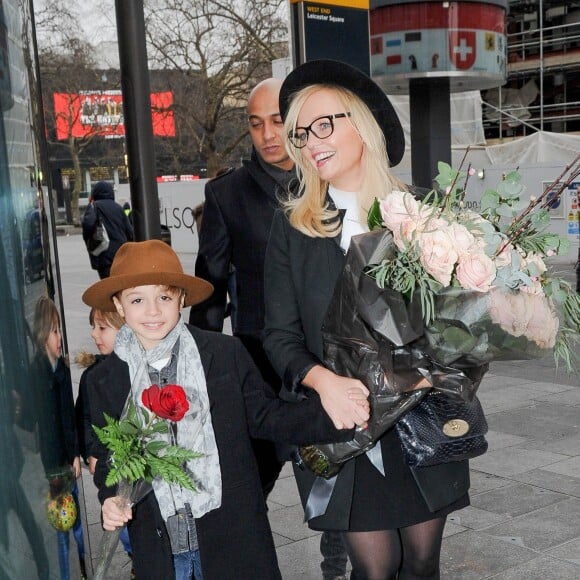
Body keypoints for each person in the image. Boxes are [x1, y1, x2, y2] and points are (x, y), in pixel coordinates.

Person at [263, 59, 471, 580]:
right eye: (302, 134)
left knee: (422, 563)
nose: (311, 143)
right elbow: (279, 336)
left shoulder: (424, 216)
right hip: (347, 427)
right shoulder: (294, 228)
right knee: (376, 571)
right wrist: (322, 381)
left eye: (323, 124)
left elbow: (460, 324)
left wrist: (444, 360)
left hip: (421, 420)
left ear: (362, 123)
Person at [81, 239, 359, 580]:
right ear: (119, 306)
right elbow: (107, 455)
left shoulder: (223, 355)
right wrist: (111, 498)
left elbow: (267, 416)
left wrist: (338, 413)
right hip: (160, 546)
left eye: (164, 297)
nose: (152, 311)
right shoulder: (103, 381)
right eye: (138, 299)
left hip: (230, 536)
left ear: (181, 299)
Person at [189, 79, 295, 501]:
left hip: (331, 358)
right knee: (250, 488)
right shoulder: (226, 193)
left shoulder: (331, 178)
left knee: (340, 495)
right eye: (256, 124)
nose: (267, 134)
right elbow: (209, 289)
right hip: (258, 362)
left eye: (277, 121)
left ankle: (336, 566)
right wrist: (206, 370)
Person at [74, 307, 134, 572]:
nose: (93, 334)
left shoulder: (135, 370)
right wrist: (86, 453)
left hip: (129, 462)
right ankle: (137, 559)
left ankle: (141, 560)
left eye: (102, 328)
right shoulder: (92, 376)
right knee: (117, 522)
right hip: (106, 467)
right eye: (93, 326)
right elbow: (84, 417)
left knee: (131, 521)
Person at [32, 296, 86, 580]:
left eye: (59, 329)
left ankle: (85, 567)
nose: (60, 336)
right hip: (51, 469)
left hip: (67, 463)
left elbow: (68, 419)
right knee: (61, 529)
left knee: (76, 525)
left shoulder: (61, 370)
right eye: (54, 330)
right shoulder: (36, 373)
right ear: (42, 334)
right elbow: (32, 423)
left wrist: (75, 454)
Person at [82, 181, 133, 279]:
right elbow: (129, 231)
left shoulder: (94, 206)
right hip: (121, 253)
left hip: (103, 253)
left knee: (108, 283)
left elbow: (88, 224)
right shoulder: (118, 208)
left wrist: (91, 238)